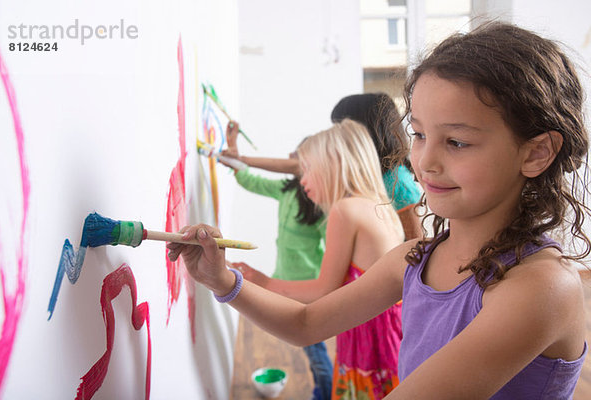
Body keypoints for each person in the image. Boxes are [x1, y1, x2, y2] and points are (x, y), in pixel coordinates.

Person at [169, 21, 590, 399]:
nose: (425, 161)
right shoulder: (414, 259)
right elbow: (305, 323)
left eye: (456, 141)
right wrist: (221, 279)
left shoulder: (542, 287)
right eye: (420, 134)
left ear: (536, 153)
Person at [231, 119, 405, 399]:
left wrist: (259, 280)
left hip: (370, 338)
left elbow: (324, 290)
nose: (302, 180)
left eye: (308, 169)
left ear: (332, 166)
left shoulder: (345, 211)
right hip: (388, 329)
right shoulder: (378, 204)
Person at [222, 122, 333, 400]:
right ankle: (324, 389)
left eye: (295, 159)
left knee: (314, 348)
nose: (289, 160)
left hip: (308, 288)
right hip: (281, 280)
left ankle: (326, 392)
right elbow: (249, 179)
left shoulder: (322, 205)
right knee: (304, 343)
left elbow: (333, 253)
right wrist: (233, 147)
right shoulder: (285, 190)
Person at [331, 93, 422, 240]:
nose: (335, 138)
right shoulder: (367, 177)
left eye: (341, 130)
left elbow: (416, 246)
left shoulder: (397, 183)